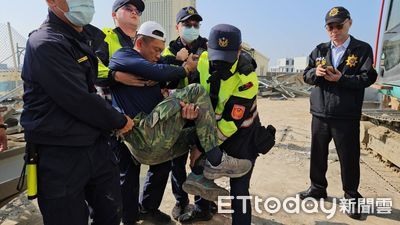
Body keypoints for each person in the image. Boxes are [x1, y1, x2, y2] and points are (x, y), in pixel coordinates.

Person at [108, 21, 253, 202]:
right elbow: (158, 71)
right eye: (155, 49)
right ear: (139, 43)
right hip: (142, 136)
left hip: (156, 148)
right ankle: (216, 160)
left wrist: (184, 106)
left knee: (200, 132)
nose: (158, 55)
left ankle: (199, 176)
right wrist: (184, 69)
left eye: (161, 50)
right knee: (196, 90)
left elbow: (164, 69)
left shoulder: (155, 63)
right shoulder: (123, 55)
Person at [20, 1, 134, 225]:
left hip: (96, 145)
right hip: (60, 153)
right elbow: (79, 98)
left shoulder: (85, 38)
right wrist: (119, 120)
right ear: (52, 2)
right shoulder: (45, 43)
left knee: (111, 214)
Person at [95, 1, 172, 224]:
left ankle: (148, 207)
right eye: (128, 8)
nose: (134, 13)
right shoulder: (106, 37)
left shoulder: (147, 38)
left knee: (162, 162)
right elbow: (92, 68)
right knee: (127, 172)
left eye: (137, 10)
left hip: (152, 115)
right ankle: (129, 218)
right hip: (121, 118)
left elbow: (160, 66)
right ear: (113, 14)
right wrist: (115, 76)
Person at [192, 24, 276, 225]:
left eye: (227, 56)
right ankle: (202, 210)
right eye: (216, 55)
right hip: (212, 129)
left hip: (243, 136)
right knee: (200, 175)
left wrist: (206, 147)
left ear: (239, 51)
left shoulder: (247, 78)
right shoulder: (203, 61)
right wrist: (198, 144)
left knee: (239, 188)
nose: (220, 63)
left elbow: (231, 123)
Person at [300, 6, 377, 220]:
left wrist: (341, 78)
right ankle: (317, 188)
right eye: (330, 26)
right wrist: (315, 73)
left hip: (346, 114)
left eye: (339, 25)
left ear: (349, 23)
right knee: (317, 154)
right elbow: (305, 74)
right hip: (320, 113)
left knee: (349, 158)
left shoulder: (362, 50)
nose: (334, 30)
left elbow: (367, 78)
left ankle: (351, 196)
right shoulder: (320, 49)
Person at [160, 6, 213, 222]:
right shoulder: (168, 50)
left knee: (202, 161)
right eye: (187, 24)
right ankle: (181, 201)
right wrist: (179, 62)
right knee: (177, 162)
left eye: (195, 24)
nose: (192, 28)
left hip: (202, 115)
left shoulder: (208, 46)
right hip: (178, 116)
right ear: (177, 27)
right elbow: (162, 81)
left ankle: (204, 204)